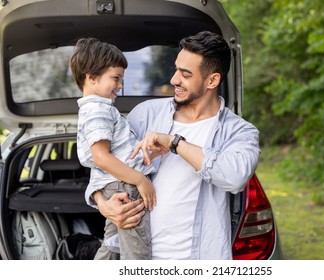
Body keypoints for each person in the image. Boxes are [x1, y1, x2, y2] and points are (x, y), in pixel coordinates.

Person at [92, 31, 260, 259]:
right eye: (176, 69)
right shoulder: (145, 114)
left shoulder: (239, 131)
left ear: (212, 80)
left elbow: (235, 177)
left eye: (185, 74)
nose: (174, 80)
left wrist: (175, 143)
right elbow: (104, 163)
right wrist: (102, 203)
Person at [70, 37, 156, 260]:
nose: (120, 85)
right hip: (125, 186)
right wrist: (140, 180)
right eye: (116, 78)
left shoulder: (95, 109)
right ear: (91, 77)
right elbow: (102, 158)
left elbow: (115, 153)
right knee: (136, 251)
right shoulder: (99, 110)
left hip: (114, 185)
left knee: (113, 244)